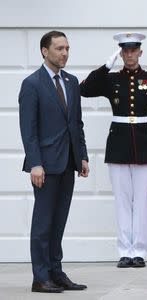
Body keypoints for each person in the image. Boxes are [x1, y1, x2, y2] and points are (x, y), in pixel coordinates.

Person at [80, 32, 147, 268]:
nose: (129, 54)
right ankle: (124, 251)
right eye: (125, 51)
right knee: (122, 201)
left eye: (133, 50)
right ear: (121, 53)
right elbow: (84, 89)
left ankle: (139, 251)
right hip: (119, 144)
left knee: (141, 201)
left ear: (140, 52)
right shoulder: (110, 79)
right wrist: (105, 66)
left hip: (144, 145)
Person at [19, 31, 89, 293]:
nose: (65, 53)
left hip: (68, 162)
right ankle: (40, 277)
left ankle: (56, 272)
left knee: (59, 222)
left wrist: (81, 155)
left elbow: (76, 123)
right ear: (44, 51)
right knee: (43, 223)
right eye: (59, 48)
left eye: (67, 48)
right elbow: (29, 130)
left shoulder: (71, 82)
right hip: (45, 166)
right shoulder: (32, 84)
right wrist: (35, 163)